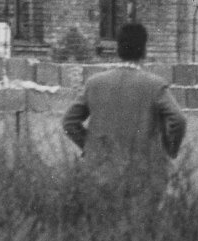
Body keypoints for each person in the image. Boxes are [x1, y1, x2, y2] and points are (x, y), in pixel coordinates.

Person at [62, 22, 186, 191]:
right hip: (144, 175)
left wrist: (92, 148)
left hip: (100, 173)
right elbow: (179, 119)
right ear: (144, 50)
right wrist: (169, 151)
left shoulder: (94, 83)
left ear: (118, 49)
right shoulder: (155, 85)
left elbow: (69, 122)